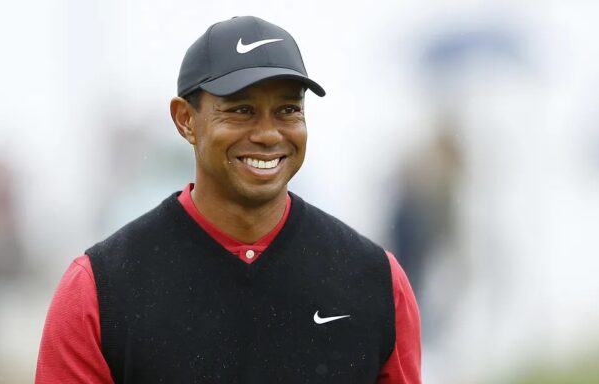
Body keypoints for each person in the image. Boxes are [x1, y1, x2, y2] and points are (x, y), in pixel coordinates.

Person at [36, 16, 421, 383]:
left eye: (288, 110)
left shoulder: (376, 282)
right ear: (185, 119)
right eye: (241, 110)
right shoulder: (100, 289)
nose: (269, 134)